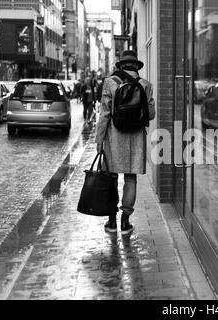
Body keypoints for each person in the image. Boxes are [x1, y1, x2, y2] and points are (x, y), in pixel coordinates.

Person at [95, 50, 156, 235]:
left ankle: (111, 221)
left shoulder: (110, 82)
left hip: (114, 137)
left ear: (120, 65)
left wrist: (99, 140)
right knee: (131, 179)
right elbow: (151, 114)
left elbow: (104, 114)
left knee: (111, 178)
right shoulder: (145, 84)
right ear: (136, 66)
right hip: (136, 138)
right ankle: (125, 222)